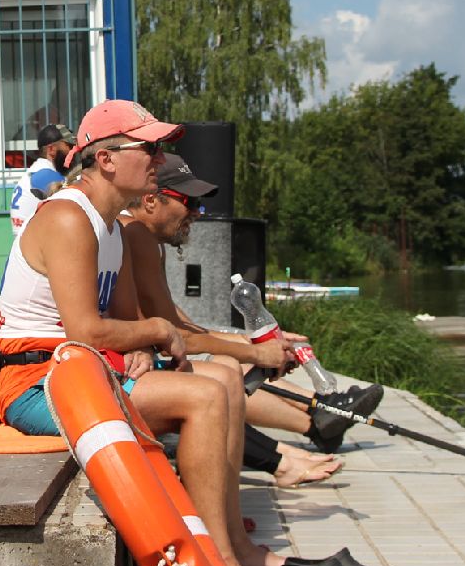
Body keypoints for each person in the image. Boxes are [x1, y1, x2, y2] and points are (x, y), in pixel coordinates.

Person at [0, 99, 316, 566]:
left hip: (80, 372)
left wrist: (143, 345)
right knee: (207, 395)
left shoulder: (113, 230)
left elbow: (122, 326)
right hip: (36, 385)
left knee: (226, 382)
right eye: (150, 148)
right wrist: (157, 331)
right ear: (106, 159)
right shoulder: (68, 219)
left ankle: (237, 544)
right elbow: (88, 328)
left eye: (160, 148)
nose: (161, 160)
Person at [119, 154, 376, 479]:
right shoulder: (133, 236)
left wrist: (255, 341)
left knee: (225, 368)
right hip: (95, 376)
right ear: (150, 199)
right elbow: (174, 336)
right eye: (191, 201)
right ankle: (289, 451)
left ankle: (312, 423)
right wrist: (255, 351)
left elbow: (178, 324)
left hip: (125, 368)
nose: (198, 213)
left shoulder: (147, 240)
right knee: (218, 378)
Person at [8, 123, 74, 236]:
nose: (73, 151)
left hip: (27, 243)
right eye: (69, 146)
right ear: (51, 149)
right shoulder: (46, 175)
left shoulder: (38, 170)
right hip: (33, 247)